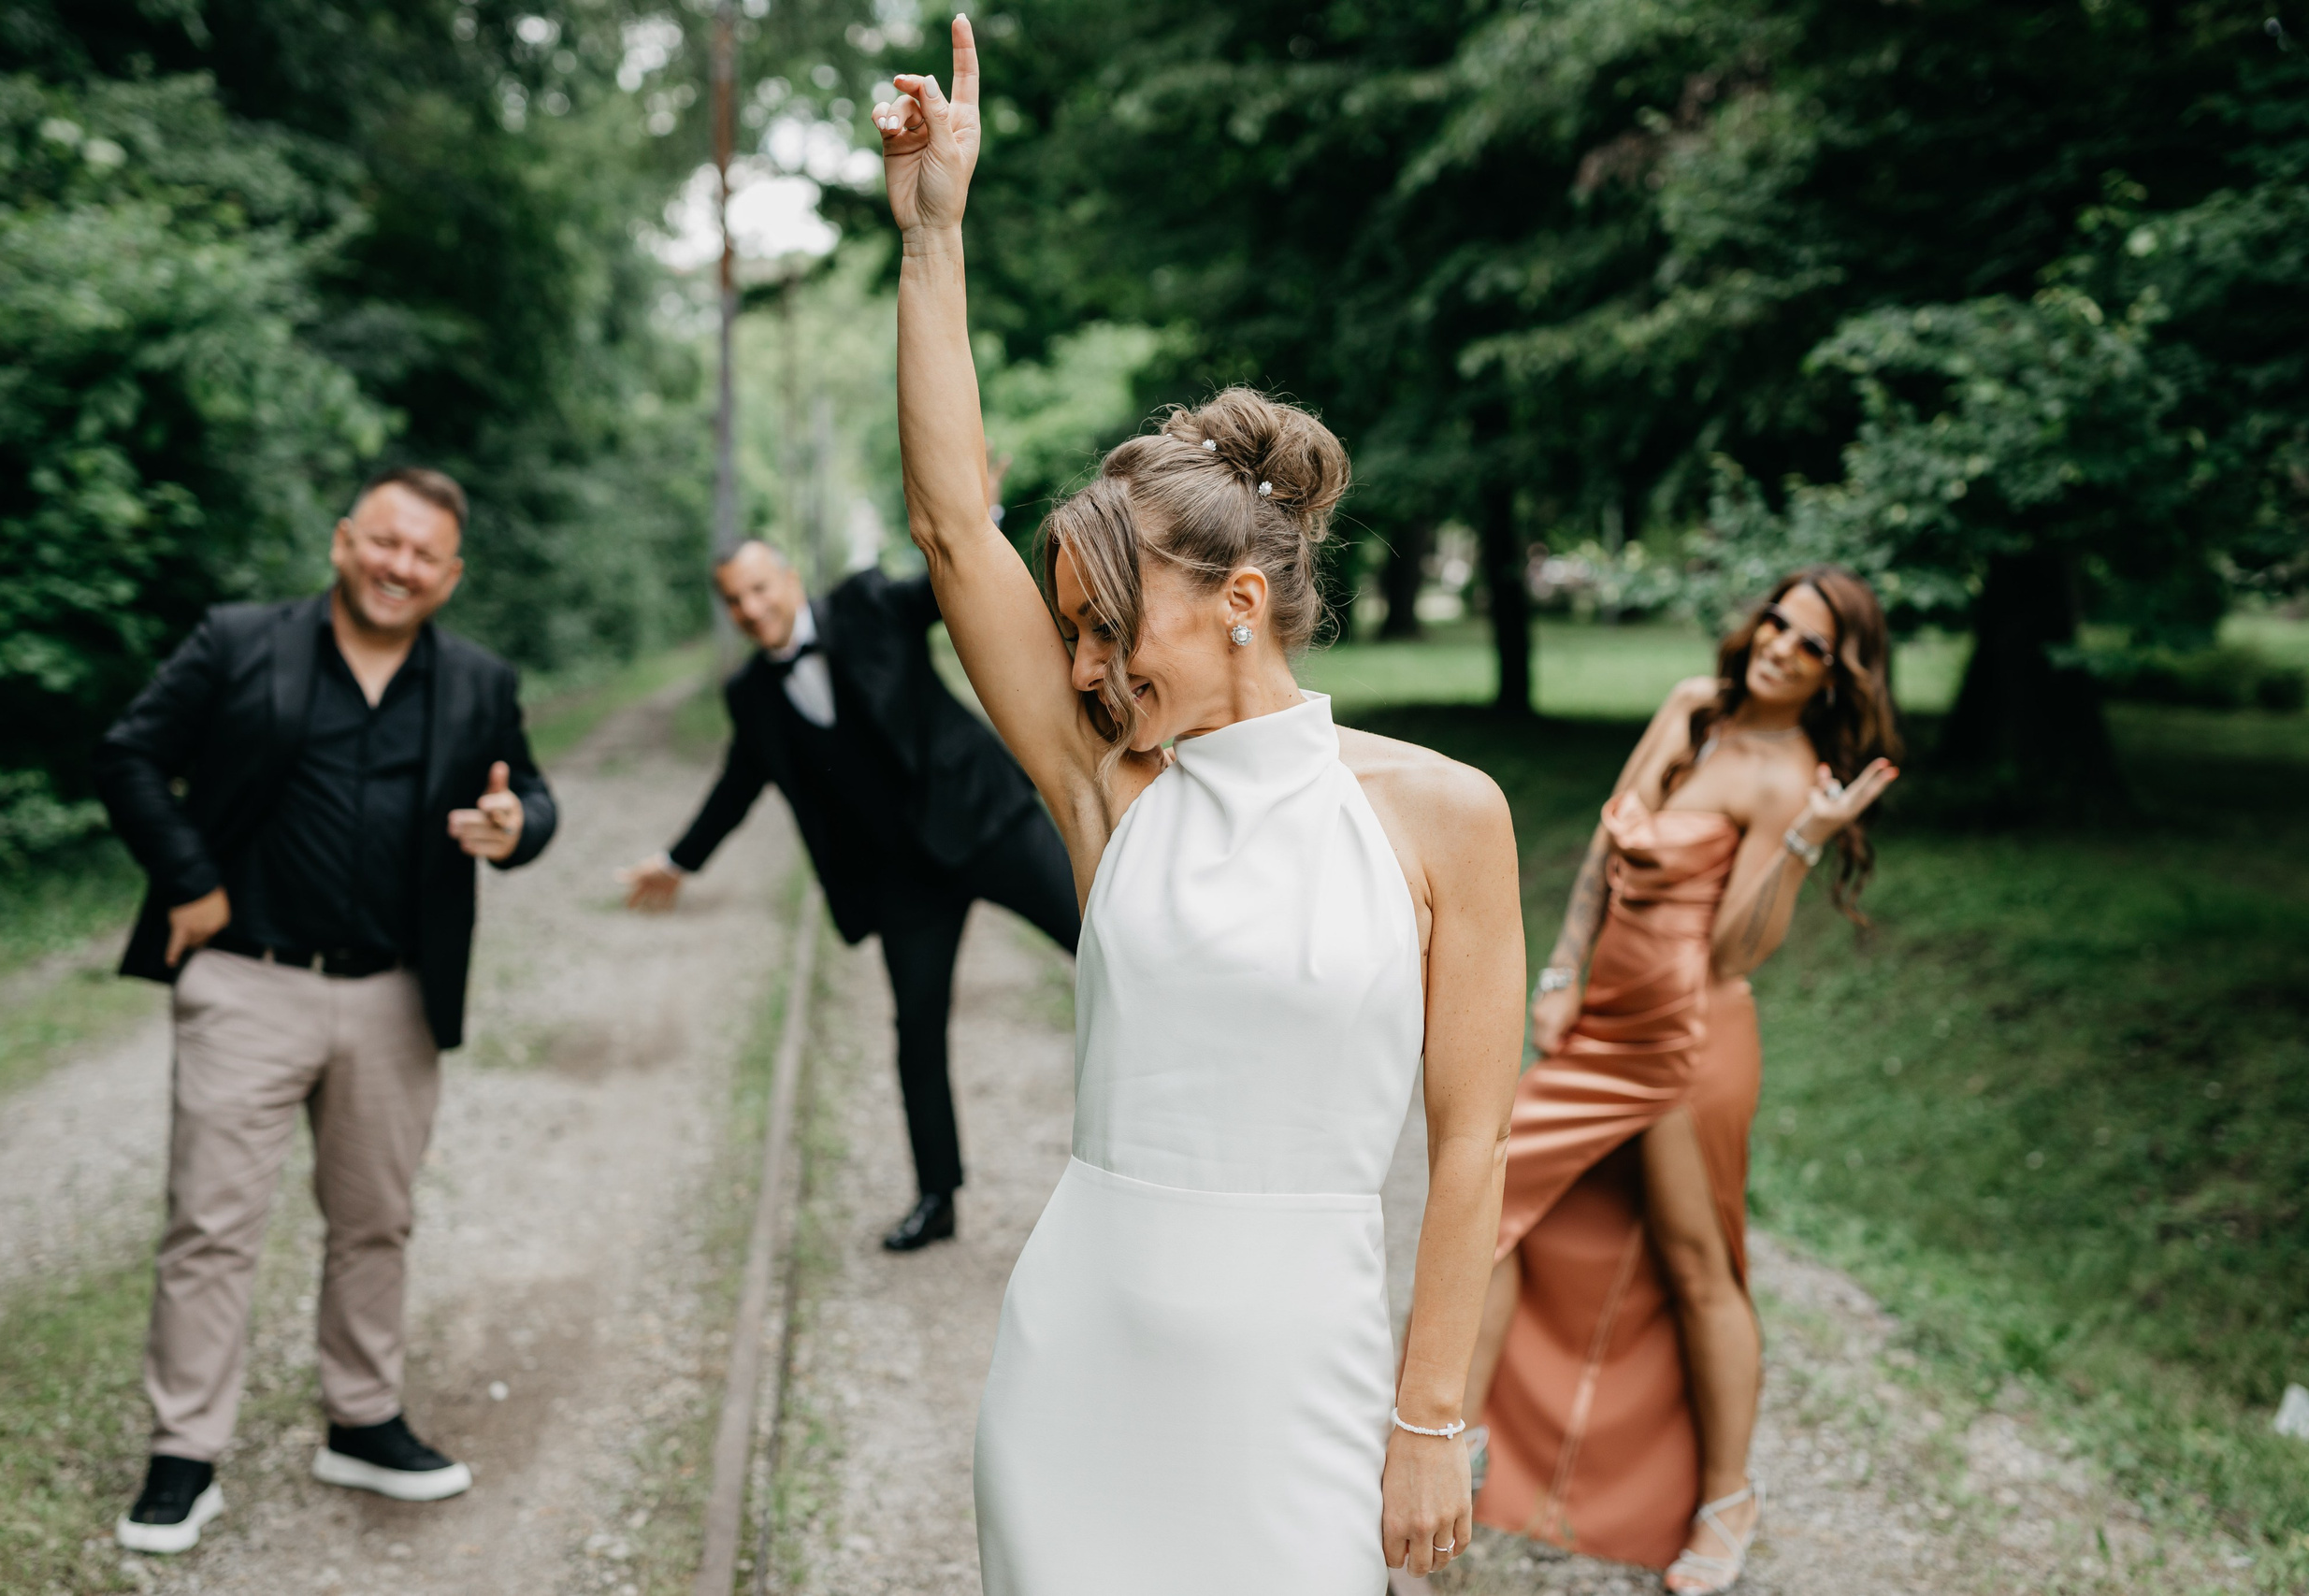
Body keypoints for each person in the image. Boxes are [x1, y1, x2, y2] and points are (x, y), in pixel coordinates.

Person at [872, 22, 1527, 1591]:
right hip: (1079, 1365)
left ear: (1240, 600)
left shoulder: (1445, 817)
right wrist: (933, 238)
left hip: (1302, 1390)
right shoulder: (1112, 787)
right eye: (1071, 630)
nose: (1086, 666)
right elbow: (953, 519)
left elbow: (1474, 1138)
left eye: (1110, 626)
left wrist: (1429, 1418)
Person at [93, 467, 557, 1554]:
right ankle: (183, 1457)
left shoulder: (481, 681)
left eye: (423, 555)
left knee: (375, 1221)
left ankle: (362, 1420)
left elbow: (530, 796)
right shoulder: (237, 641)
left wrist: (515, 824)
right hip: (245, 979)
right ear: (346, 540)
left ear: (450, 576)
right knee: (210, 1227)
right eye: (383, 542)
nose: (399, 567)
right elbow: (128, 755)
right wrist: (189, 880)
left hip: (397, 992)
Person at [1459, 567, 1902, 1593]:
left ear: (1837, 678)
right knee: (1490, 1217)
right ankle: (1457, 1459)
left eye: (1812, 647)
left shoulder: (1786, 777)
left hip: (1686, 1041)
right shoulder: (1694, 712)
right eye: (1779, 623)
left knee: (1698, 1267)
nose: (1781, 647)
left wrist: (1801, 844)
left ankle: (1727, 1501)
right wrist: (1562, 967)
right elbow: (1605, 853)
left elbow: (1736, 952)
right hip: (1601, 1020)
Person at [617, 539, 1081, 1252]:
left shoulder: (866, 602)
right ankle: (937, 1197)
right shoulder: (750, 694)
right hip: (900, 876)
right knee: (915, 1036)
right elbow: (737, 786)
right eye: (735, 600)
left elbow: (946, 588)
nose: (750, 609)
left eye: (759, 590)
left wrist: (974, 521)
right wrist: (679, 860)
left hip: (988, 821)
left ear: (789, 580)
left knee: (1104, 948)